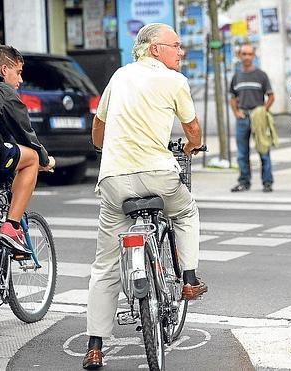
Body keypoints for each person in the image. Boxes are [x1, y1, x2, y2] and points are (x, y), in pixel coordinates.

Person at [83, 23, 205, 369]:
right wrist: (192, 146)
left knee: (105, 265)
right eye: (176, 46)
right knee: (185, 212)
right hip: (158, 177)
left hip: (114, 180)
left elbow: (99, 126)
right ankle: (190, 280)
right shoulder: (175, 82)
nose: (180, 52)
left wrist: (102, 149)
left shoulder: (119, 77)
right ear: (155, 49)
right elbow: (192, 129)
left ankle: (94, 347)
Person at [0, 45, 55, 258]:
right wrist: (46, 160)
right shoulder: (2, 90)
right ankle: (11, 228)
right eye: (19, 72)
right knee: (31, 159)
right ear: (4, 69)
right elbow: (25, 133)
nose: (20, 80)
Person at [229, 43, 276, 193]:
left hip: (258, 118)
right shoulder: (236, 77)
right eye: (244, 54)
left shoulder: (261, 75)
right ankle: (244, 181)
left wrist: (263, 111)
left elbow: (271, 96)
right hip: (242, 118)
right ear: (240, 56)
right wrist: (236, 112)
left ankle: (267, 182)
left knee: (263, 150)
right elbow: (232, 97)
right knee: (242, 153)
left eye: (250, 54)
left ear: (254, 56)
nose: (247, 57)